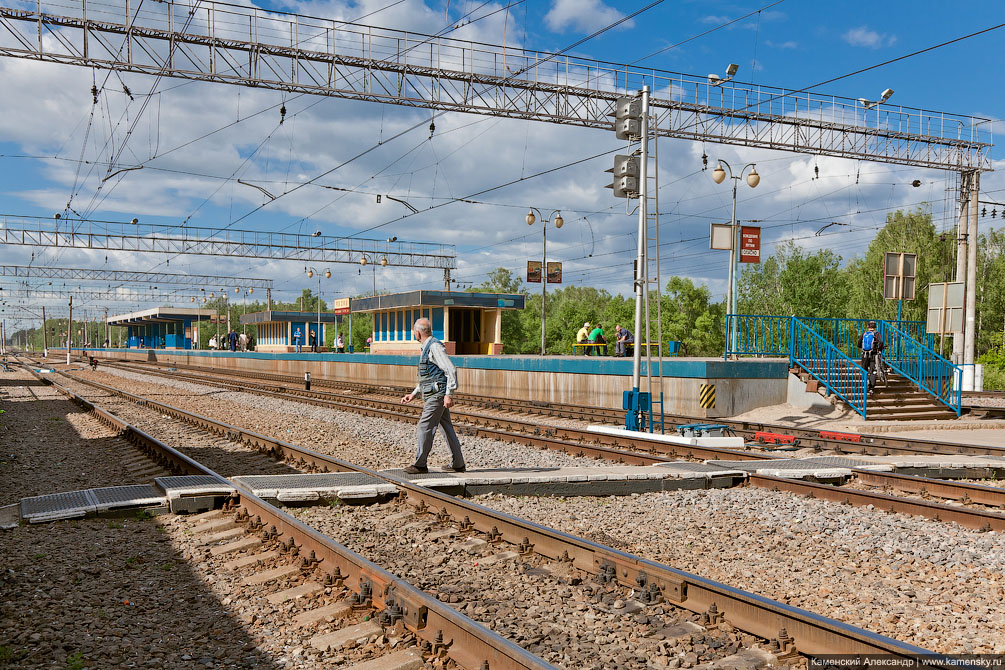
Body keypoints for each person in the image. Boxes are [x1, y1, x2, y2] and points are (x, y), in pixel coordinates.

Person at [400, 318, 465, 474]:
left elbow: (451, 369)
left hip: (437, 395)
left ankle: (420, 464)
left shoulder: (434, 346)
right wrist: (414, 393)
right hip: (435, 393)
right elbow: (429, 377)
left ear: (417, 333)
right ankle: (458, 463)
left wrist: (449, 394)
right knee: (446, 427)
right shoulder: (427, 347)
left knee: (425, 426)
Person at [858, 321, 885, 392]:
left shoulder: (864, 334)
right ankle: (871, 388)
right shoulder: (877, 334)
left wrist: (863, 347)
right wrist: (879, 349)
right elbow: (881, 342)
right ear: (875, 327)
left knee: (864, 369)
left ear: (868, 327)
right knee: (873, 371)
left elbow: (859, 344)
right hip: (873, 355)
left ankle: (865, 381)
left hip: (864, 354)